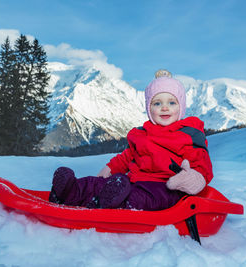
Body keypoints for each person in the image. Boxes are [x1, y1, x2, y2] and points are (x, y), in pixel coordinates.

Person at [49, 69, 213, 211]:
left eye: (171, 102)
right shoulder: (143, 133)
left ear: (181, 107)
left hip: (166, 188)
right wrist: (110, 168)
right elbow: (127, 157)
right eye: (157, 103)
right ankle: (69, 190)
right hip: (132, 182)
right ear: (149, 108)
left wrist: (193, 178)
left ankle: (112, 203)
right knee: (98, 184)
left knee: (139, 197)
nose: (164, 107)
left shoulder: (188, 135)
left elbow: (202, 164)